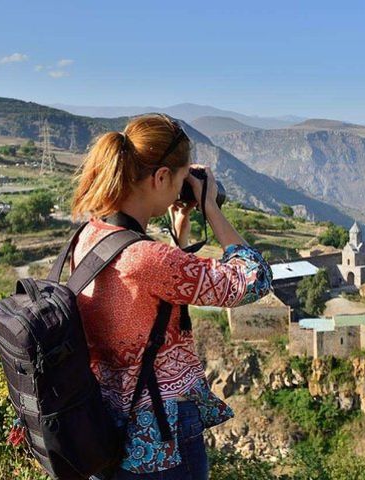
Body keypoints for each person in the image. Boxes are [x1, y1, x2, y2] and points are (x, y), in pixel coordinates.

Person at [69, 113, 272, 479]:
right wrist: (211, 208)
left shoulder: (87, 238)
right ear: (161, 177)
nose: (183, 186)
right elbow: (253, 280)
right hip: (162, 442)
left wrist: (179, 231)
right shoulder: (149, 259)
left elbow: (149, 301)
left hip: (107, 431)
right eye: (180, 179)